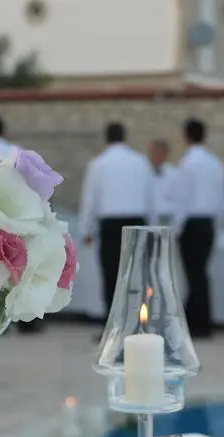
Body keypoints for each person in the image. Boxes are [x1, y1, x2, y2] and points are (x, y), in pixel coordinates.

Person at [80, 122, 153, 322]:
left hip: (110, 224)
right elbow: (150, 197)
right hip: (137, 222)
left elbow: (90, 199)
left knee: (111, 275)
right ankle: (137, 321)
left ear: (107, 137)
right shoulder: (140, 161)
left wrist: (86, 229)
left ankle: (113, 324)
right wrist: (152, 226)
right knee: (135, 274)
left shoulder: (98, 163)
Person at [174, 118, 224, 338]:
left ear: (186, 137)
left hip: (192, 223)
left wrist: (177, 228)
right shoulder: (215, 163)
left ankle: (197, 322)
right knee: (201, 274)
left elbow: (182, 198)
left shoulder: (188, 163)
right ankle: (199, 319)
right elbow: (222, 198)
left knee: (193, 275)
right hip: (208, 223)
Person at [148, 139, 180, 226]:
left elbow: (178, 197)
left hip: (168, 217)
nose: (157, 155)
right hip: (149, 217)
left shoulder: (175, 173)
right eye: (155, 152)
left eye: (160, 152)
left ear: (166, 154)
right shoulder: (144, 172)